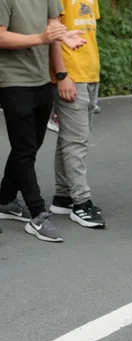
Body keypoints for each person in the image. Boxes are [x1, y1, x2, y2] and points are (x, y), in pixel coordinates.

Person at [0, 0, 86, 242]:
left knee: (29, 147)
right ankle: (38, 215)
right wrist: (41, 38)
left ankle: (5, 199)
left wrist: (62, 41)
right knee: (25, 149)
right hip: (12, 81)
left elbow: (53, 30)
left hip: (41, 79)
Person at [48, 0, 106, 229]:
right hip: (71, 74)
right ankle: (81, 202)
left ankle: (63, 198)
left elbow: (89, 33)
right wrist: (62, 74)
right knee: (76, 142)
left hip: (91, 72)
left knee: (69, 139)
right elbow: (54, 33)